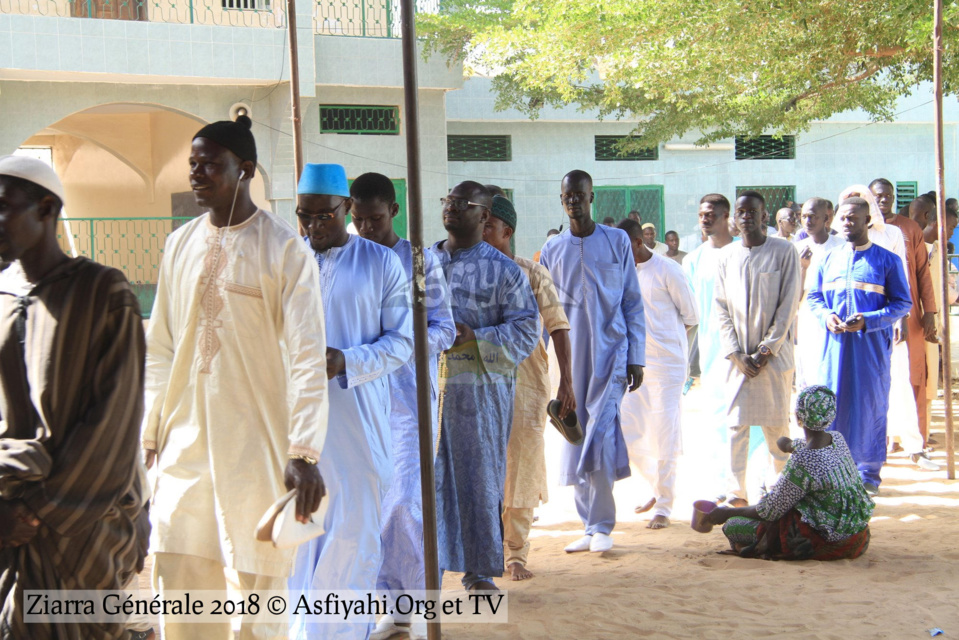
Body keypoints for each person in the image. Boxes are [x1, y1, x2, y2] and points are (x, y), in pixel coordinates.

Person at [143, 116, 329, 640]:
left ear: (245, 170)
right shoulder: (178, 245)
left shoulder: (285, 251)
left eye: (210, 165)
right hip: (184, 449)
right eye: (193, 164)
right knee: (180, 589)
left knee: (259, 600)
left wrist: (304, 451)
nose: (197, 174)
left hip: (260, 450)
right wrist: (149, 433)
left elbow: (307, 358)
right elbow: (159, 346)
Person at [0, 156, 149, 639]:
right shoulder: (3, 298)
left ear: (46, 209)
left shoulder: (102, 292)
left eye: (3, 208)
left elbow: (115, 421)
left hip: (83, 530)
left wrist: (41, 511)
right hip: (10, 529)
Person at [290, 165, 414, 640]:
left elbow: (401, 342)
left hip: (359, 423)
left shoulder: (382, 264)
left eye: (324, 215)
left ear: (346, 209)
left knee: (353, 534)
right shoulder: (290, 260)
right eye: (305, 216)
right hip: (296, 425)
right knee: (300, 539)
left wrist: (347, 360)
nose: (314, 226)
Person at [349, 173, 455, 640]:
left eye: (375, 218)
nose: (367, 228)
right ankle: (372, 604)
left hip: (408, 402)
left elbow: (444, 329)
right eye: (358, 221)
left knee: (406, 504)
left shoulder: (419, 260)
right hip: (359, 402)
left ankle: (404, 606)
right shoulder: (347, 258)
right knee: (366, 504)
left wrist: (397, 347)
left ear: (394, 211)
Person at [429, 182, 540, 592]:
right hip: (424, 388)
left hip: (478, 391)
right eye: (449, 201)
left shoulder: (506, 271)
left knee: (480, 479)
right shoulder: (423, 262)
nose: (453, 208)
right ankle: (429, 568)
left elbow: (527, 330)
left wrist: (474, 337)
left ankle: (477, 572)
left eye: (464, 203)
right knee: (427, 478)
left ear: (484, 216)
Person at [539, 170, 645, 554]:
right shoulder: (552, 250)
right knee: (575, 433)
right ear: (562, 199)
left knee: (600, 433)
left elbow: (632, 301)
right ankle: (588, 525)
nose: (574, 202)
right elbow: (545, 311)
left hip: (612, 354)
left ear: (591, 197)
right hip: (568, 361)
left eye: (580, 195)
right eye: (568, 196)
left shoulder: (616, 241)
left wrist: (636, 356)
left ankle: (602, 524)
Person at [483, 195, 574, 580]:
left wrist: (566, 380)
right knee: (482, 467)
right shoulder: (461, 271)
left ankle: (516, 552)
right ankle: (484, 549)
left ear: (507, 231)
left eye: (487, 224)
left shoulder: (533, 273)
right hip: (476, 384)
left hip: (526, 384)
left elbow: (558, 326)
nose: (480, 230)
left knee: (520, 464)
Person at [808, 197, 912, 494]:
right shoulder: (827, 258)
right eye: (843, 218)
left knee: (869, 403)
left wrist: (869, 320)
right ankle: (831, 470)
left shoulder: (887, 260)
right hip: (834, 346)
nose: (847, 222)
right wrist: (826, 315)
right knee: (833, 403)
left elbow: (902, 302)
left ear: (868, 221)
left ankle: (868, 472)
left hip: (870, 349)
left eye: (854, 218)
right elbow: (814, 297)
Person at [706, 386, 874, 561]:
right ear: (830, 416)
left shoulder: (803, 462)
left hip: (825, 542)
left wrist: (725, 514)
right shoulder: (837, 440)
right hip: (858, 538)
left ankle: (761, 547)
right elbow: (807, 448)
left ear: (798, 417)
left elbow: (769, 511)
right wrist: (788, 445)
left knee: (733, 526)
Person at [714, 191, 801, 505]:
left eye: (753, 211)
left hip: (773, 360)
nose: (746, 217)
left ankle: (781, 492)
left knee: (777, 428)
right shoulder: (726, 256)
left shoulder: (784, 251)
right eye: (741, 212)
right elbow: (721, 308)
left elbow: (788, 304)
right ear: (734, 220)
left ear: (765, 216)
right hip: (738, 361)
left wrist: (765, 351)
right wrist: (736, 354)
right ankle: (736, 494)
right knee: (736, 427)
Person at [835, 185, 926, 470]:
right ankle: (853, 454)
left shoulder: (892, 234)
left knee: (895, 381)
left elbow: (903, 285)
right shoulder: (840, 239)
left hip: (886, 322)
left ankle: (913, 444)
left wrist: (898, 319)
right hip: (847, 331)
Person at [617, 219, 698, 530]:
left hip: (667, 367)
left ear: (638, 243)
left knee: (665, 434)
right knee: (627, 430)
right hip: (634, 366)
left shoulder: (667, 270)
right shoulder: (623, 274)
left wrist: (667, 344)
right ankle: (656, 485)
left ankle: (664, 505)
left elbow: (691, 316)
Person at [870, 179, 938, 449]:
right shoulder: (864, 229)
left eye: (889, 195)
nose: (884, 200)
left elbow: (922, 272)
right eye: (879, 196)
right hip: (875, 315)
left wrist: (929, 311)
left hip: (910, 313)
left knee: (915, 374)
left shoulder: (909, 228)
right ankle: (884, 437)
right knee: (879, 376)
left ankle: (916, 440)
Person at [683, 194, 736, 484]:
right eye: (701, 215)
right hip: (711, 351)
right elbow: (688, 313)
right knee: (717, 414)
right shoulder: (694, 260)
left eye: (711, 215)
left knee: (748, 415)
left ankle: (756, 476)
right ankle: (722, 480)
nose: (704, 219)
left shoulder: (744, 251)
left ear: (726, 216)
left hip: (745, 348)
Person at [794, 198, 844, 389]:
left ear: (827, 219)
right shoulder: (797, 249)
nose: (807, 221)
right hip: (808, 318)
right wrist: (802, 268)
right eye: (804, 216)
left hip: (834, 316)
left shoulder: (842, 247)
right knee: (809, 371)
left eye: (813, 216)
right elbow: (794, 296)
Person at [923, 207, 959, 444]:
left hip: (934, 322)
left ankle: (923, 431)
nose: (953, 232)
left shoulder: (938, 249)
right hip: (920, 322)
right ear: (938, 222)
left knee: (930, 380)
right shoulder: (921, 248)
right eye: (952, 227)